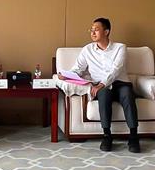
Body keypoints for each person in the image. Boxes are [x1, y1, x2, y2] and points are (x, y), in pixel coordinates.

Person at [58, 18, 140, 153]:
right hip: (101, 87)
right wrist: (65, 75)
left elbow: (116, 69)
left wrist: (102, 84)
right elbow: (78, 69)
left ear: (106, 32)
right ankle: (107, 136)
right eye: (91, 30)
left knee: (127, 94)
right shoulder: (87, 50)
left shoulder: (120, 48)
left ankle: (133, 136)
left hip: (120, 83)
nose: (92, 32)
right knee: (104, 94)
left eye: (96, 29)